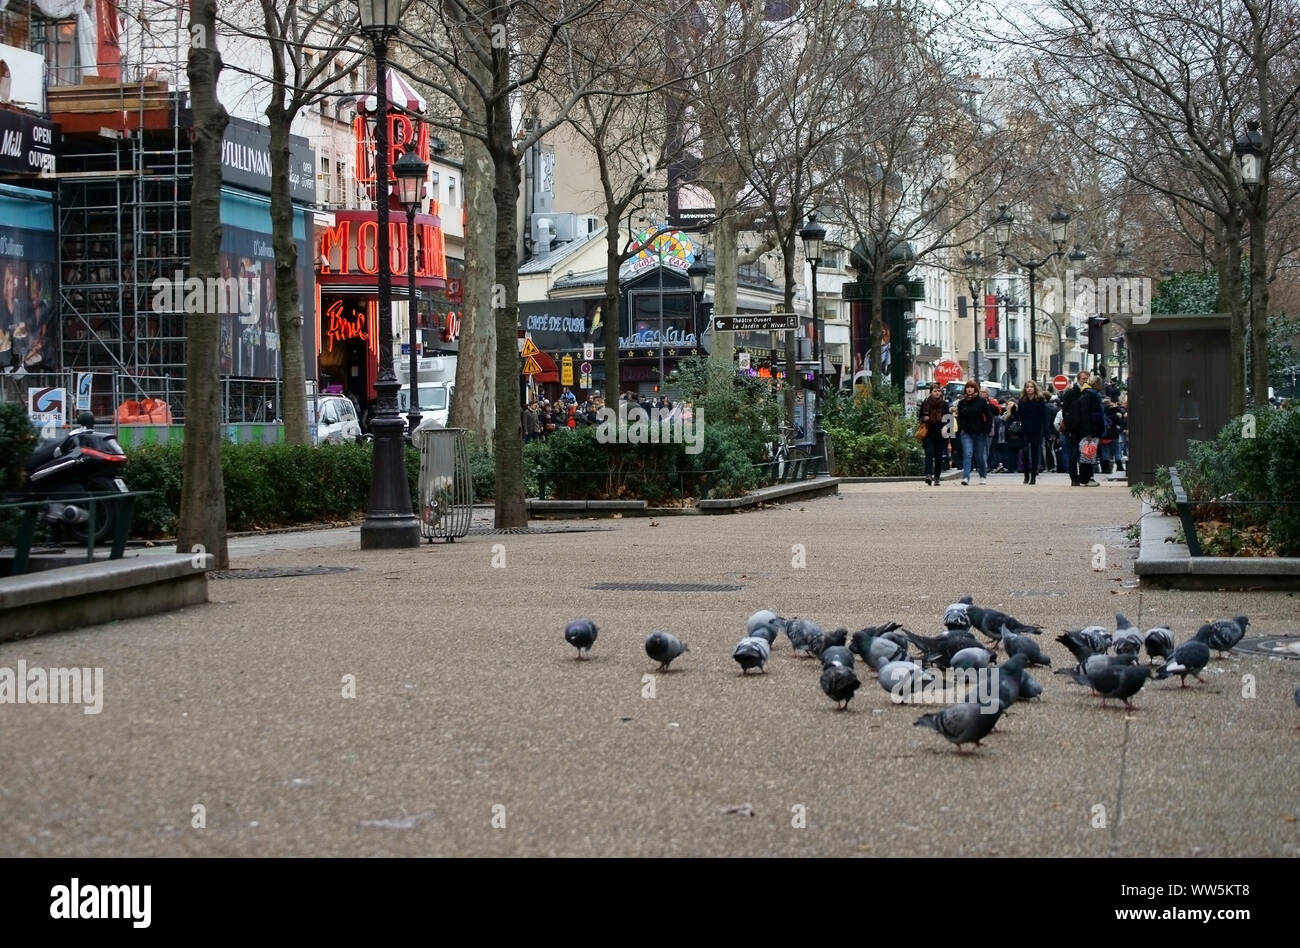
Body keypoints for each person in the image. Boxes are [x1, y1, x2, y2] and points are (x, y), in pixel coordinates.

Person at [955, 380, 992, 485]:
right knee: (967, 454)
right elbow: (960, 418)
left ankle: (982, 475)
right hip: (966, 433)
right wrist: (961, 428)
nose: (969, 389)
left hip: (980, 432)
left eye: (971, 387)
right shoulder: (962, 403)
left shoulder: (981, 401)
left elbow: (989, 416)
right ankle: (966, 477)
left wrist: (986, 429)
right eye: (967, 387)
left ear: (975, 389)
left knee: (979, 456)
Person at [1074, 373, 1107, 486]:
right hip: (1091, 430)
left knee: (1088, 454)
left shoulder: (1088, 394)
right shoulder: (1090, 396)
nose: (1101, 386)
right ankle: (1086, 479)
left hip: (1090, 429)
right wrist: (1089, 430)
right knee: (1088, 454)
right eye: (1100, 383)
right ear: (1096, 384)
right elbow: (1086, 415)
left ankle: (1087, 478)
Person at [1016, 381, 1049, 484]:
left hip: (1036, 429)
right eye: (1027, 387)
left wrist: (1046, 432)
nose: (1029, 389)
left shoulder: (1040, 400)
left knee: (1035, 453)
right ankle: (1026, 475)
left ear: (1035, 388)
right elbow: (1019, 415)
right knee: (1025, 452)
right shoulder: (1022, 400)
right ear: (1025, 389)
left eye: (1031, 387)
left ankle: (1033, 475)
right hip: (1025, 429)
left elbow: (1044, 417)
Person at [917, 385, 950, 486]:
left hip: (940, 432)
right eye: (935, 391)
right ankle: (928, 474)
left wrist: (947, 429)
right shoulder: (925, 403)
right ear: (931, 392)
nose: (937, 393)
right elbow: (919, 417)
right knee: (929, 454)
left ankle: (937, 477)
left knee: (939, 456)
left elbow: (949, 418)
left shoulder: (944, 404)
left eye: (939, 391)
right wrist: (924, 418)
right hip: (928, 432)